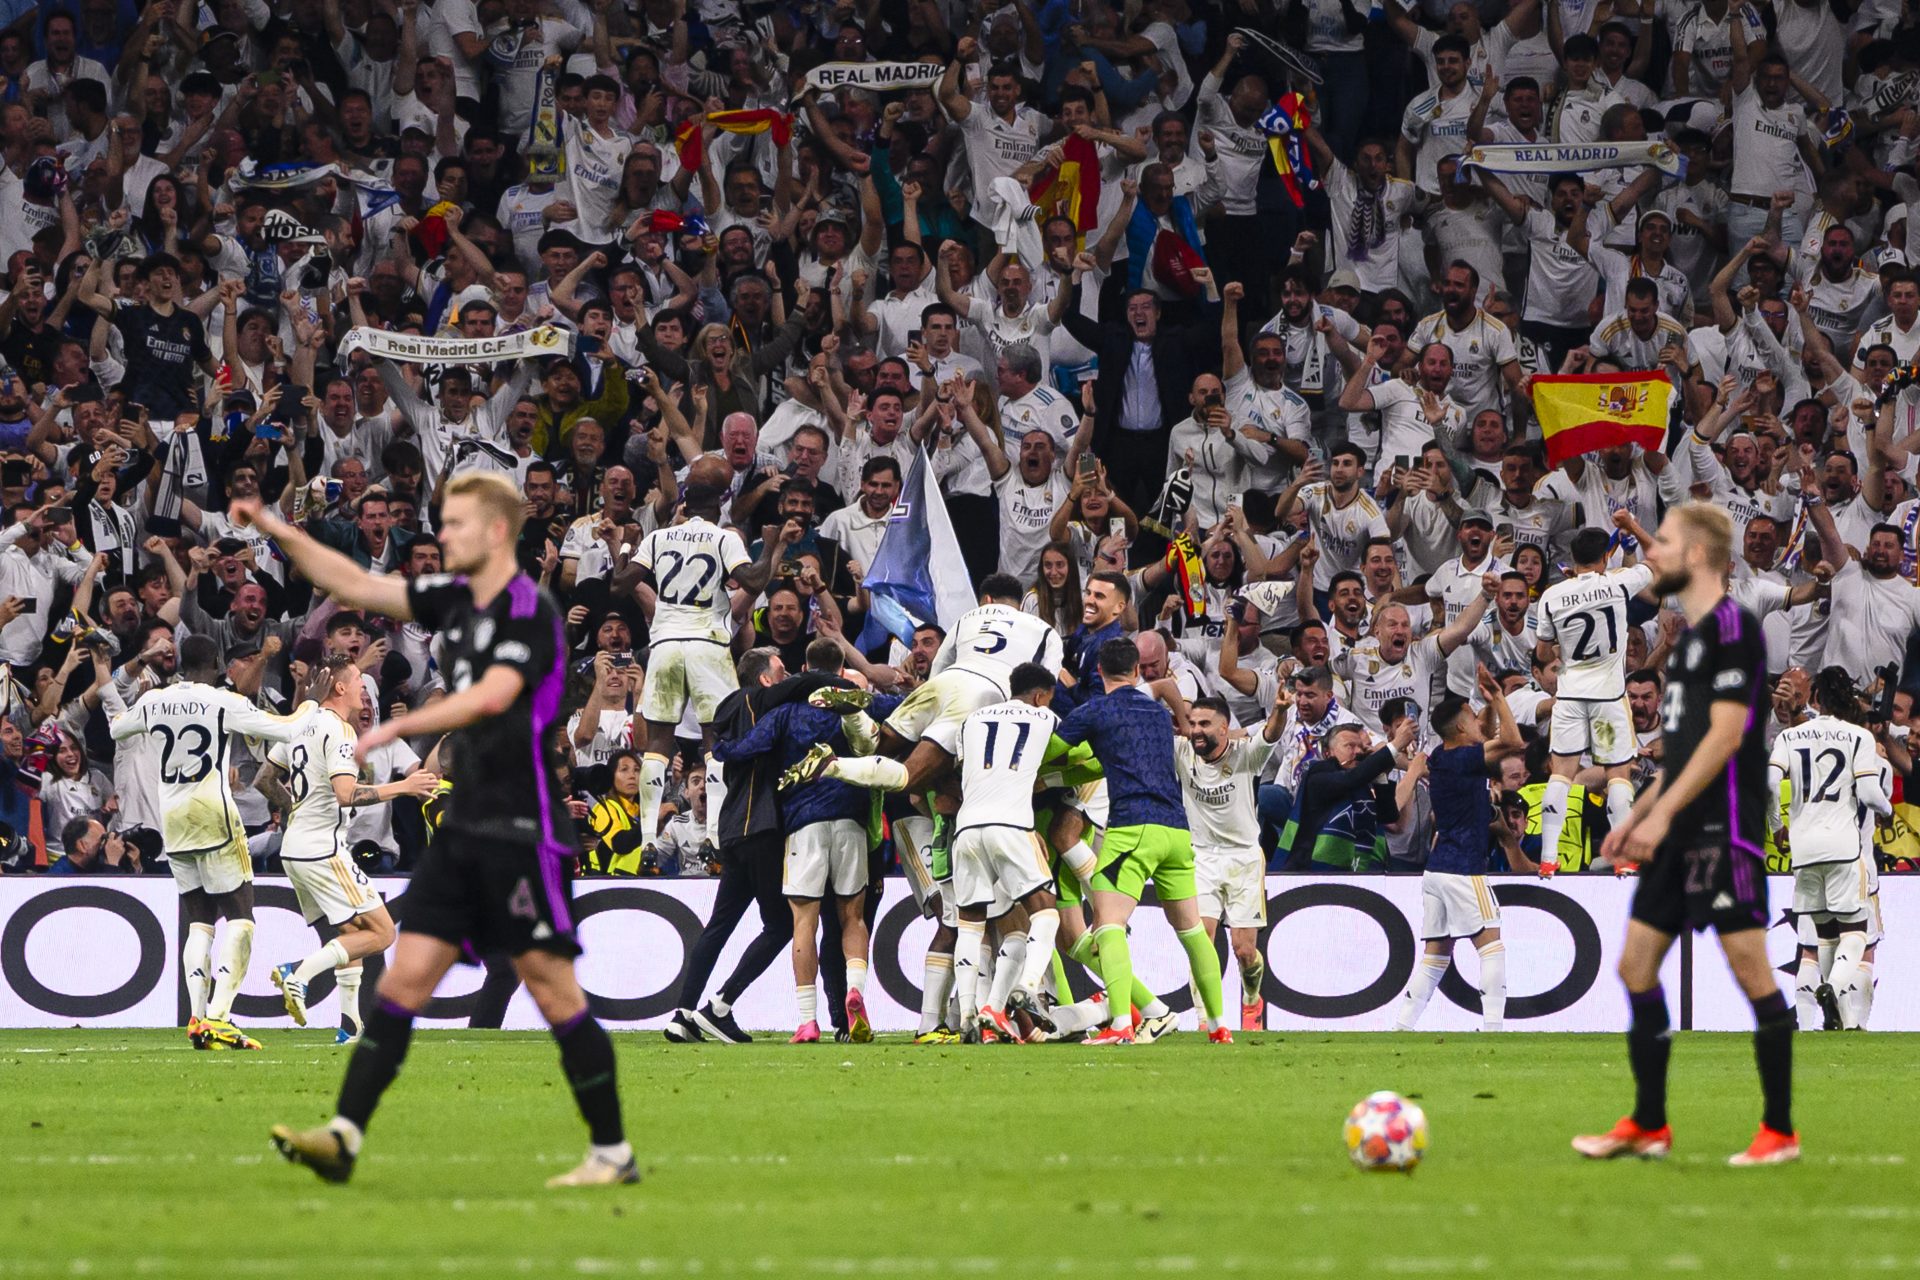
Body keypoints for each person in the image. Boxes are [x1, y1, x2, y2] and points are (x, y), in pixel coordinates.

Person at [250, 473, 636, 1189]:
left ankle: (612, 1152)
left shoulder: (532, 609)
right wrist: (280, 533)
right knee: (403, 982)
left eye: (455, 524)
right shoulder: (454, 599)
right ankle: (343, 1136)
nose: (441, 537)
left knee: (552, 991)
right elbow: (360, 587)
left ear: (494, 532)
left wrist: (401, 722)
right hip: (464, 828)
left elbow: (496, 693)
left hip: (524, 829)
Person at [1575, 502, 1796, 1168]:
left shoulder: (1735, 627)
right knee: (1634, 966)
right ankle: (1649, 1123)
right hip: (1677, 825)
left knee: (1750, 969)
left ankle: (1779, 1130)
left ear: (1696, 554)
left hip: (1722, 824)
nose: (1655, 553)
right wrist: (1639, 818)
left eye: (1664, 542)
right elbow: (1681, 746)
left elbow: (1728, 738)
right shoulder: (1694, 637)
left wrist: (1664, 816)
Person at [108, 633, 309, 1052]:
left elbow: (116, 728)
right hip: (213, 812)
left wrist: (127, 696)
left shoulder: (154, 700)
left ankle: (198, 1018)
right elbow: (283, 730)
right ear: (217, 662)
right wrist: (309, 702)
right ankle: (218, 1017)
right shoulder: (222, 700)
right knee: (240, 917)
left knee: (199, 920)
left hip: (173, 817)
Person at [713, 639, 891, 1044]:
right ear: (842, 668)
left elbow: (747, 747)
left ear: (804, 668)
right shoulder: (856, 702)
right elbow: (896, 714)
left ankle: (808, 1020)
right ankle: (855, 992)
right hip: (851, 820)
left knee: (803, 923)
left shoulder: (787, 712)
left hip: (802, 825)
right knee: (852, 918)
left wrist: (721, 747)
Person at [1054, 637, 1230, 1046]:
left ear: (1099, 672)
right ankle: (1219, 1026)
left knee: (1107, 925)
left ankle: (1119, 1024)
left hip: (1133, 827)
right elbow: (1166, 688)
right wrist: (1184, 723)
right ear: (1136, 672)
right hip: (1177, 831)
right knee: (1191, 932)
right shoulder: (1153, 710)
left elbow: (1051, 750)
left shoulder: (1094, 710)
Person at [255, 656, 437, 1044]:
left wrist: (297, 812)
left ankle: (350, 1024)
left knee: (351, 931)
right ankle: (298, 973)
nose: (364, 687)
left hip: (296, 850)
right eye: (358, 680)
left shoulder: (301, 724)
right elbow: (346, 794)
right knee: (383, 933)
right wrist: (403, 788)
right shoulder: (340, 731)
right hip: (323, 849)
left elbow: (265, 779)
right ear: (340, 688)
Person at [623, 483, 777, 842]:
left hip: (664, 642)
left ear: (684, 503)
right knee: (716, 742)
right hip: (707, 642)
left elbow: (620, 583)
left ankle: (647, 838)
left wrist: (626, 545)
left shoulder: (660, 537)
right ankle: (713, 835)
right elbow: (751, 580)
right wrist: (770, 545)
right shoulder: (723, 537)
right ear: (721, 503)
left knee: (657, 745)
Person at [1395, 670, 1530, 1033]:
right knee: (1491, 945)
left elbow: (1482, 733)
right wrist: (1500, 698)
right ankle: (1494, 1027)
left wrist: (1484, 704)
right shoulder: (1464, 759)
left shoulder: (1442, 755)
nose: (1477, 723)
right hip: (1463, 868)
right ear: (1459, 730)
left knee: (1436, 958)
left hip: (1436, 870)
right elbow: (1515, 741)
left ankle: (1402, 1026)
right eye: (1470, 718)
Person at [950, 664, 1072, 1044]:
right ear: (1040, 695)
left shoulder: (971, 721)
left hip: (967, 826)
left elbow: (963, 767)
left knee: (970, 923)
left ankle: (970, 1010)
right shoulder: (1046, 717)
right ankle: (1028, 987)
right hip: (1013, 824)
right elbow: (1068, 756)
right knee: (1045, 910)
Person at [1767, 667, 1887, 1032]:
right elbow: (1871, 793)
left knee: (1814, 940)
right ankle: (1842, 1005)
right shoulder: (1863, 745)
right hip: (1851, 852)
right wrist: (1888, 809)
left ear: (1816, 698)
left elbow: (1770, 782)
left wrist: (1776, 827)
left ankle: (1809, 1027)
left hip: (1804, 849)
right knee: (1857, 935)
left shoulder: (1792, 736)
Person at [1532, 527, 1655, 875]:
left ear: (1572, 558)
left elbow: (1542, 651)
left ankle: (1548, 859)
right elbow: (1655, 562)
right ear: (1605, 558)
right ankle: (1623, 858)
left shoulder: (1552, 596)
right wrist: (1632, 528)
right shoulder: (1617, 583)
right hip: (1608, 698)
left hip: (1569, 697)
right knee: (1618, 775)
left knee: (1561, 774)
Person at [1177, 694, 1286, 1033]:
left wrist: (1280, 709)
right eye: (1193, 723)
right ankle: (1205, 1019)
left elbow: (1270, 735)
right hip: (1201, 857)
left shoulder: (1244, 756)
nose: (1196, 731)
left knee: (1244, 951)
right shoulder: (1181, 752)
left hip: (1243, 858)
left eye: (1205, 724)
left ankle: (1252, 998)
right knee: (1201, 938)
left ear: (1225, 729)